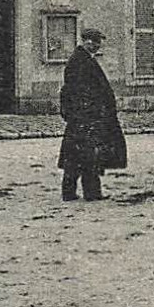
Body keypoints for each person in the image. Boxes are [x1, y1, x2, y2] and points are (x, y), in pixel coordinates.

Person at [58, 27, 126, 201]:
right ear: (84, 41)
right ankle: (91, 193)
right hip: (87, 117)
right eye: (92, 41)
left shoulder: (83, 59)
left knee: (76, 156)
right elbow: (77, 91)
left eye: (97, 42)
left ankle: (70, 192)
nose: (95, 45)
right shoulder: (80, 61)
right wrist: (93, 111)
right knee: (89, 156)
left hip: (83, 117)